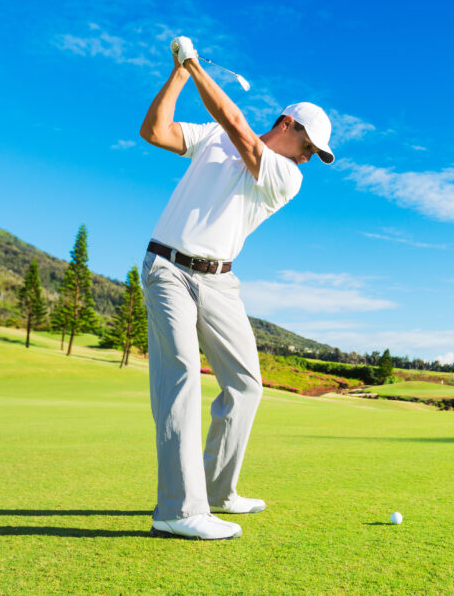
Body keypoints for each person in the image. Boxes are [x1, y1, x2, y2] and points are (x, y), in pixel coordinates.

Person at [138, 36, 334, 540]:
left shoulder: (286, 176)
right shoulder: (212, 138)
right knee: (180, 374)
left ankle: (217, 491)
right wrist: (180, 74)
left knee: (246, 384)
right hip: (169, 269)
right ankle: (178, 510)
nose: (310, 157)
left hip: (221, 281)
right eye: (309, 145)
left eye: (315, 153)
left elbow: (241, 130)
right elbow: (154, 131)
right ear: (288, 125)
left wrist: (197, 66)